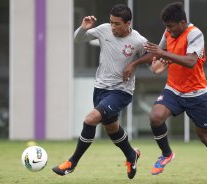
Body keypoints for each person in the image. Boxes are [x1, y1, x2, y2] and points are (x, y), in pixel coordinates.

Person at [122, 2, 207, 183]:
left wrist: (163, 55)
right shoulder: (169, 33)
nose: (168, 30)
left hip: (198, 94)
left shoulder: (195, 34)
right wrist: (134, 64)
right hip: (174, 89)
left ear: (182, 22)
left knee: (205, 136)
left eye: (171, 26)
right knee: (155, 117)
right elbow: (157, 54)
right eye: (166, 26)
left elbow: (190, 61)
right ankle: (166, 153)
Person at [52, 4, 148, 179]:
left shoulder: (138, 41)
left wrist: (134, 64)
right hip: (100, 89)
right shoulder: (104, 30)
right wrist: (83, 28)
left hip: (121, 92)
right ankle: (131, 155)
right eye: (111, 22)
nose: (113, 27)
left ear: (128, 23)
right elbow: (78, 39)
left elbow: (151, 56)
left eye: (117, 24)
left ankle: (71, 163)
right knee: (112, 129)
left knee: (90, 120)